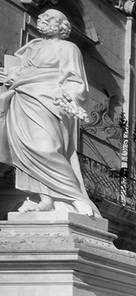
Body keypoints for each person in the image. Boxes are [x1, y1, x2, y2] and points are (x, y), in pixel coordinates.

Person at [0, 9, 100, 216]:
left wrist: (69, 98)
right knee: (26, 150)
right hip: (23, 99)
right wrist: (10, 77)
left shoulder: (68, 48)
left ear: (61, 26)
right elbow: (20, 72)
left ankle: (74, 197)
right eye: (41, 18)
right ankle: (45, 199)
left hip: (50, 101)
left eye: (48, 19)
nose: (42, 20)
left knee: (46, 149)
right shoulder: (31, 47)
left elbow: (76, 80)